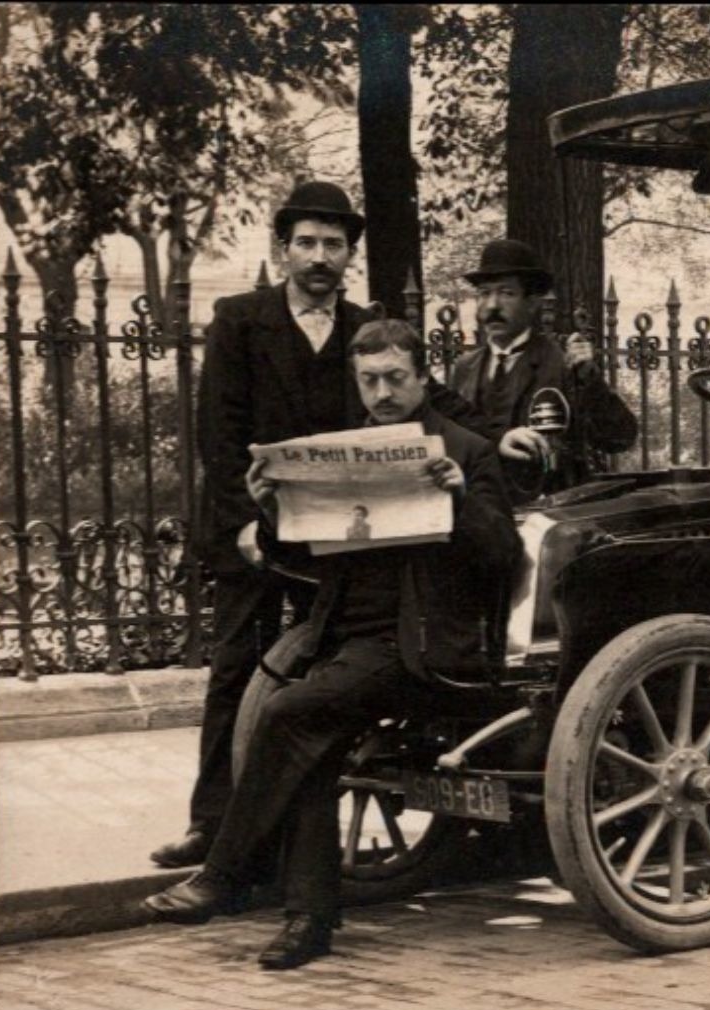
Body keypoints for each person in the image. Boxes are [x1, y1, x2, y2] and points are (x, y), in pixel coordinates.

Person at [143, 320, 520, 970]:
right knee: (309, 745)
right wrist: (270, 509)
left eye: (395, 378)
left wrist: (459, 500)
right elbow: (300, 552)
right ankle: (308, 921)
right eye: (369, 379)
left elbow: (504, 558)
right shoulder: (349, 451)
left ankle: (226, 874)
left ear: (422, 377)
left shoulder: (465, 449)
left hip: (422, 646)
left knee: (290, 715)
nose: (382, 392)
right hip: (341, 636)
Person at [155, 182, 488, 871]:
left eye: (333, 245)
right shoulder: (240, 319)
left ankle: (300, 830)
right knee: (236, 668)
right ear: (284, 249)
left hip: (341, 534)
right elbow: (219, 435)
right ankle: (211, 821)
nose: (319, 257)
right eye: (306, 242)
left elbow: (432, 397)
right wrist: (246, 522)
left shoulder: (365, 326)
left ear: (349, 255)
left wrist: (502, 436)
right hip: (259, 529)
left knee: (324, 677)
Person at [449, 239, 637, 501]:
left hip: (550, 512)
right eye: (484, 293)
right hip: (482, 512)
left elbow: (619, 438)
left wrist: (589, 379)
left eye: (506, 293)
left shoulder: (561, 360)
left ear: (532, 303)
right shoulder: (464, 368)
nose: (492, 305)